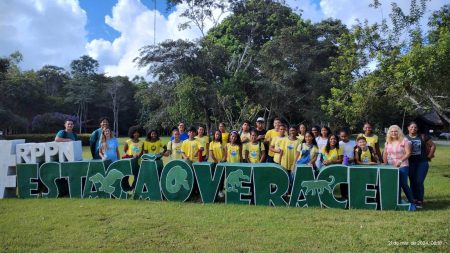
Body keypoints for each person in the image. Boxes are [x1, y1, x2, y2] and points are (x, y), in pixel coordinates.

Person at [383, 125, 415, 209]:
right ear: (389, 133)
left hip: (403, 165)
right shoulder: (387, 142)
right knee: (393, 184)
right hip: (391, 166)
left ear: (399, 132)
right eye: (392, 131)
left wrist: (400, 161)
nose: (394, 133)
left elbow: (408, 153)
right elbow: (385, 153)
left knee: (403, 184)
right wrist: (385, 163)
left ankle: (412, 203)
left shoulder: (405, 140)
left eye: (396, 131)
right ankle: (397, 201)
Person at [406, 122, 436, 208]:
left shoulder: (423, 136)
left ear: (417, 129)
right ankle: (413, 199)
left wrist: (429, 156)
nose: (413, 129)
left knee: (419, 181)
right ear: (408, 128)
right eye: (411, 127)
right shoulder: (405, 138)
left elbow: (433, 145)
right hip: (410, 162)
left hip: (422, 162)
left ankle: (419, 200)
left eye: (415, 127)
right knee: (412, 181)